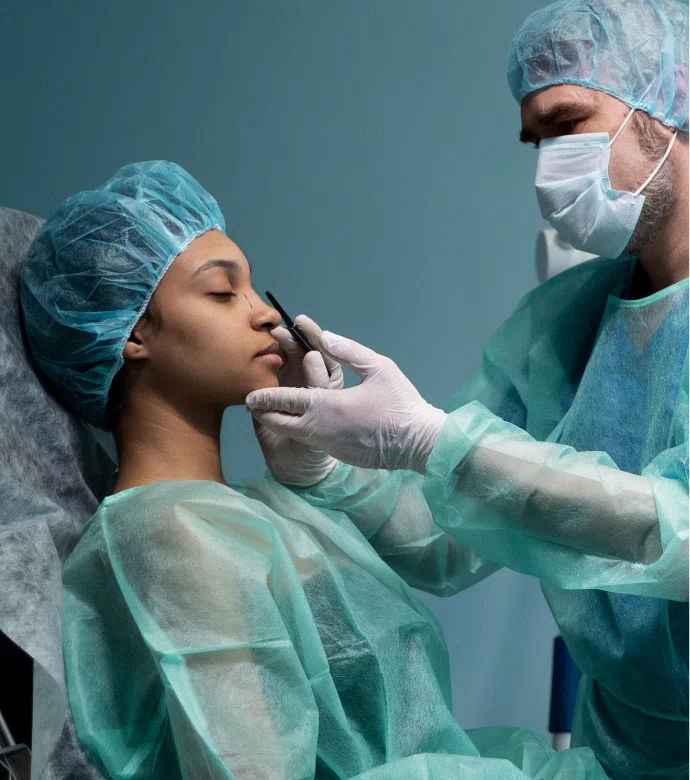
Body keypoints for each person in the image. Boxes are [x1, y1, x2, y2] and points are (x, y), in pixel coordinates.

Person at [19, 160, 611, 780]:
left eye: (255, 290)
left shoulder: (257, 508)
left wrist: (329, 471)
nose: (265, 315)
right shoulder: (169, 533)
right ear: (133, 334)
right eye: (222, 292)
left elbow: (448, 546)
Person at [244, 1, 689, 778]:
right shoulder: (564, 324)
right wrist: (333, 470)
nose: (549, 169)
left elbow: (677, 533)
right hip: (623, 757)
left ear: (671, 100)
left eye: (568, 124)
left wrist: (434, 439)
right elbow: (451, 534)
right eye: (536, 141)